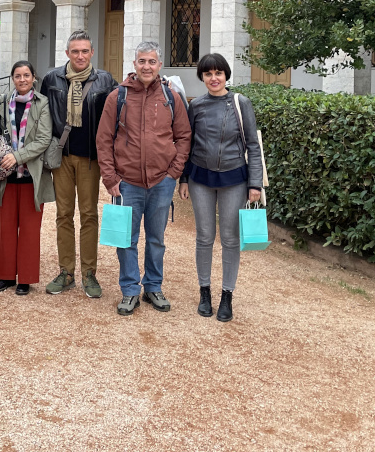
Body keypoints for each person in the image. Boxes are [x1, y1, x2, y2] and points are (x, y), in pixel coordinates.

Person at [96, 41, 191, 316]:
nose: (147, 66)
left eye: (152, 61)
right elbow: (103, 140)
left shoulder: (171, 97)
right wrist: (110, 178)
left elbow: (184, 137)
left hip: (162, 182)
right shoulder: (118, 97)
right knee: (126, 238)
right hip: (126, 182)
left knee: (156, 238)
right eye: (142, 61)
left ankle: (153, 286)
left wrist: (174, 173)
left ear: (159, 65)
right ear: (134, 64)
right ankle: (129, 290)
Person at [179, 53, 263, 323]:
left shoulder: (241, 103)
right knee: (204, 237)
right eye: (207, 74)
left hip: (234, 179)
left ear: (226, 75)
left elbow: (253, 145)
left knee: (229, 238)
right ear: (202, 77)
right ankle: (205, 292)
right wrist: (183, 179)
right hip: (200, 178)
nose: (213, 78)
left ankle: (227, 294)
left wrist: (255, 183)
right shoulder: (197, 106)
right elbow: (187, 145)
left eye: (218, 73)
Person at [40, 30, 117, 298]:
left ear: (92, 53)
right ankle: (66, 272)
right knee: (63, 214)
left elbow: (120, 109)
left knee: (89, 215)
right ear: (67, 54)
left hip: (90, 159)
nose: (80, 56)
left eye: (85, 51)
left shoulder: (105, 80)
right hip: (61, 157)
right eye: (75, 51)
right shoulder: (52, 78)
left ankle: (89, 273)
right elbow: (42, 112)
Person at [0, 61, 55, 295]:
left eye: (26, 75)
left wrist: (17, 157)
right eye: (18, 76)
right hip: (6, 176)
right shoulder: (2, 103)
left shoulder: (43, 103)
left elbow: (44, 139)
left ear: (34, 77)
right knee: (4, 227)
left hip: (31, 175)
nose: (22, 79)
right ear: (13, 78)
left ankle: (25, 278)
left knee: (29, 229)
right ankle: (6, 275)